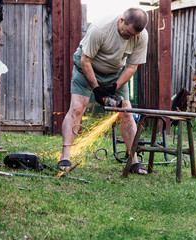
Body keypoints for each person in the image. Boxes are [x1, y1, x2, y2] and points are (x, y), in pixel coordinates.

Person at [57, 8, 149, 174]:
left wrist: (114, 87)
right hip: (87, 68)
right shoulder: (100, 29)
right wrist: (97, 90)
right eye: (128, 33)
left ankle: (133, 161)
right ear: (121, 20)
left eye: (133, 35)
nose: (130, 38)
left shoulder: (141, 36)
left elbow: (132, 66)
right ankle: (65, 156)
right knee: (78, 107)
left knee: (127, 111)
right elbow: (85, 61)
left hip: (115, 74)